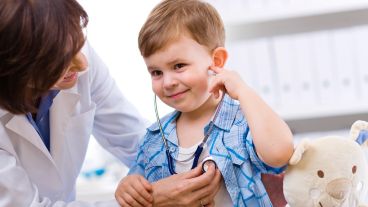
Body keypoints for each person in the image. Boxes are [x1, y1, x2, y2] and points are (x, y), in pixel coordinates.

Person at [0, 0, 221, 206]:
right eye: (60, 62)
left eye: (77, 43)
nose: (82, 63)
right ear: (17, 69)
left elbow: (136, 141)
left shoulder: (72, 52)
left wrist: (144, 177)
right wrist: (145, 200)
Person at [114, 0, 294, 206]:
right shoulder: (153, 139)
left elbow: (280, 154)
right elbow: (137, 190)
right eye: (156, 72)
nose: (168, 82)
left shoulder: (243, 122)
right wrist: (127, 187)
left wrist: (244, 92)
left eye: (179, 65)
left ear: (216, 61)